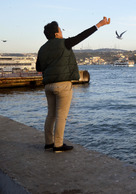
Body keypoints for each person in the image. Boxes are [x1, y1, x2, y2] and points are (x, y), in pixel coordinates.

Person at [36, 17, 110, 153]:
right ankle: (58, 145)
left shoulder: (42, 49)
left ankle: (48, 143)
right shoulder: (64, 43)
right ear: (56, 33)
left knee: (50, 115)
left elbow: (38, 67)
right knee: (61, 115)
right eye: (59, 29)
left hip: (48, 86)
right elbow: (82, 36)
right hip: (63, 85)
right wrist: (99, 24)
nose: (61, 31)